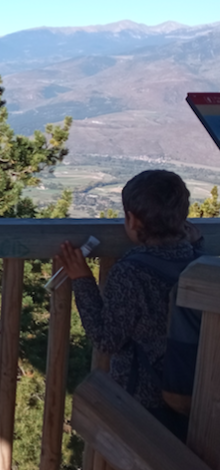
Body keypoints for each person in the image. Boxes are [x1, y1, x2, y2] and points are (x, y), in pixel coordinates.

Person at [58, 169, 202, 437]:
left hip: (143, 405)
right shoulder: (198, 261)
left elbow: (106, 340)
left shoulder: (131, 272)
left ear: (132, 220)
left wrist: (82, 279)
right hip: (196, 396)